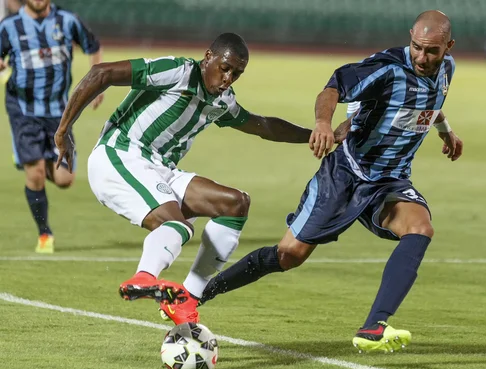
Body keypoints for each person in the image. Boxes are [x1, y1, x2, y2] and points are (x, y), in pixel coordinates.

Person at [193, 10, 464, 353]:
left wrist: (445, 131)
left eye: (432, 51)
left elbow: (429, 102)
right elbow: (334, 86)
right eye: (417, 47)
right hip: (345, 174)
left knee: (420, 228)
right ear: (410, 36)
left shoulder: (447, 70)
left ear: (448, 47)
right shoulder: (387, 68)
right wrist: (323, 123)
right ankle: (199, 292)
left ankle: (373, 326)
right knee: (289, 255)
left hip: (389, 182)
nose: (423, 57)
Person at [54, 33, 347, 326]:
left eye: (237, 73)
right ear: (208, 57)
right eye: (226, 67)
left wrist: (319, 134)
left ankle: (187, 300)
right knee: (175, 225)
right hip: (120, 156)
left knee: (234, 203)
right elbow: (101, 72)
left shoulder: (222, 102)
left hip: (159, 167)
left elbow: (264, 126)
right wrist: (64, 128)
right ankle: (143, 278)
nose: (229, 77)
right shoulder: (178, 71)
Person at [0, 0, 102, 253]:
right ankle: (45, 233)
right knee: (34, 174)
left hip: (60, 112)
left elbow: (93, 46)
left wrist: (96, 84)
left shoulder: (68, 21)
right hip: (23, 110)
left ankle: (34, 157)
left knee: (64, 179)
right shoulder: (9, 26)